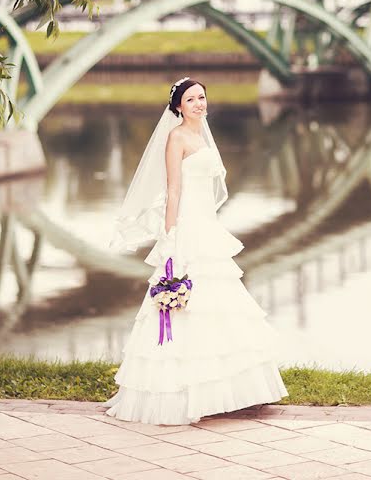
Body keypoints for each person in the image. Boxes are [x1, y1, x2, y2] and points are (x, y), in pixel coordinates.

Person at [103, 77, 288, 426]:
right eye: (191, 99)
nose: (199, 104)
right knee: (187, 307)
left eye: (202, 97)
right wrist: (170, 238)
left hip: (206, 226)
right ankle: (181, 394)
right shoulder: (176, 138)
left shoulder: (202, 134)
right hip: (187, 227)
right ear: (178, 107)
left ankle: (228, 390)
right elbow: (173, 190)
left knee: (220, 305)